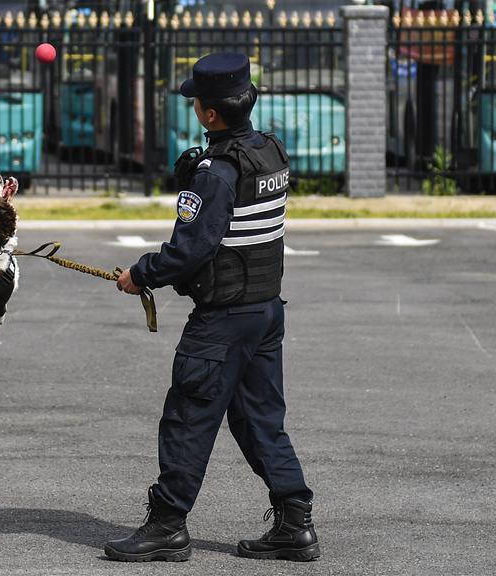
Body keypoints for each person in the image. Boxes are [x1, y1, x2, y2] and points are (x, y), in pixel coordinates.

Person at [106, 52, 319, 563]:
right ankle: (295, 522)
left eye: (195, 102)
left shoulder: (217, 172)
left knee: (188, 418)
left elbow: (191, 250)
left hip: (222, 322)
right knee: (260, 420)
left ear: (208, 114)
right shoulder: (268, 153)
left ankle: (166, 526)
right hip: (265, 313)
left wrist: (141, 274)